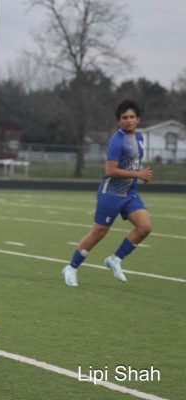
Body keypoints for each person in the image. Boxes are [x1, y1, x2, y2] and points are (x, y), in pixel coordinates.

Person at [62, 99, 153, 287]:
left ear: (138, 119)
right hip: (111, 192)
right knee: (99, 232)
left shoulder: (139, 138)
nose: (128, 120)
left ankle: (115, 259)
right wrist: (138, 174)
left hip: (129, 193)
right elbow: (110, 171)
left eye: (131, 117)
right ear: (118, 121)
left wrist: (139, 174)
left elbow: (132, 162)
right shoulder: (117, 141)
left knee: (144, 227)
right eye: (124, 117)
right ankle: (71, 267)